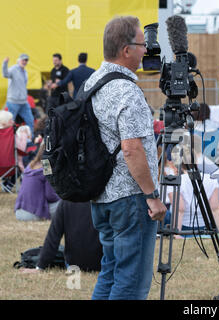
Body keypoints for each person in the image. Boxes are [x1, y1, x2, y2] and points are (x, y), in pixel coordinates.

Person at [84, 16, 166, 300]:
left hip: (102, 196)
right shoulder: (126, 91)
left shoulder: (92, 82)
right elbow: (132, 149)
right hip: (131, 199)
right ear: (126, 49)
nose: (148, 51)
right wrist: (152, 196)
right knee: (131, 283)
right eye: (143, 45)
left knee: (111, 271)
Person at [22, 200, 103, 273]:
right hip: (103, 263)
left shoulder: (66, 201)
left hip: (74, 264)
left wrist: (40, 267)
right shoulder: (106, 200)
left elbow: (53, 238)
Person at [14, 143, 61, 221]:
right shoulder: (47, 167)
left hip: (19, 212)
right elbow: (50, 196)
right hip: (32, 214)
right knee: (65, 203)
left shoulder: (30, 165)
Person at [2, 54, 35, 133]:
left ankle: (30, 140)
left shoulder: (25, 71)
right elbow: (5, 74)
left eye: (26, 60)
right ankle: (9, 141)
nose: (24, 61)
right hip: (13, 102)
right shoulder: (13, 69)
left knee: (30, 120)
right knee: (10, 123)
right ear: (19, 60)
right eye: (23, 60)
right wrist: (5, 64)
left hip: (23, 102)